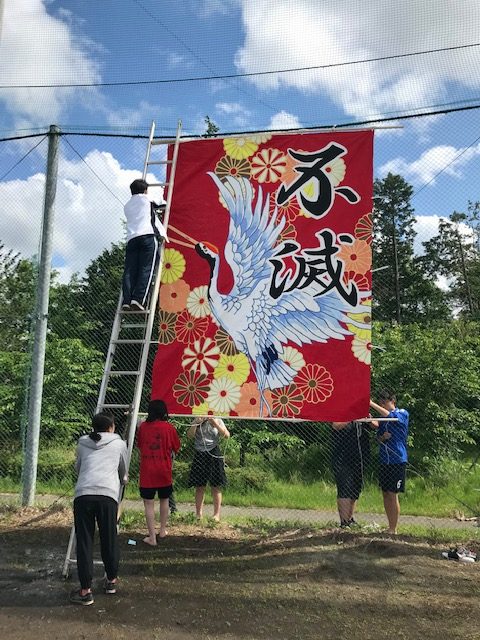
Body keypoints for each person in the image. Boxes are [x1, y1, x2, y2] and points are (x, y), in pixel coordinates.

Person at [71, 412, 128, 606]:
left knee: (84, 541)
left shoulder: (82, 443)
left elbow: (78, 468)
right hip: (107, 496)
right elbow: (123, 472)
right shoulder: (119, 443)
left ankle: (85, 590)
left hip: (83, 495)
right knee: (109, 537)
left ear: (93, 427)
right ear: (111, 427)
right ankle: (111, 581)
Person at [136, 400, 180, 545]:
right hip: (164, 469)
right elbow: (176, 447)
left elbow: (140, 445)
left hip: (147, 471)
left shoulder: (143, 427)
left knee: (148, 503)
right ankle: (162, 530)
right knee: (164, 500)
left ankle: (152, 537)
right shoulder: (170, 428)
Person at [122, 178, 168, 312]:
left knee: (130, 270)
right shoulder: (147, 199)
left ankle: (126, 300)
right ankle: (138, 299)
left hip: (131, 239)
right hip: (147, 236)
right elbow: (163, 205)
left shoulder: (127, 205)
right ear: (145, 190)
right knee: (146, 268)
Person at [370, 390, 409, 534]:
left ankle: (394, 528)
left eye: (384, 402)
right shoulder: (382, 419)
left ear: (392, 401)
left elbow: (392, 416)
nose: (382, 405)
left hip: (397, 460)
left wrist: (370, 403)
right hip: (384, 460)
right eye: (380, 403)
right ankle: (389, 526)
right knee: (385, 493)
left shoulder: (402, 413)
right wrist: (383, 437)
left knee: (393, 493)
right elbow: (378, 438)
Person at [187, 416, 230, 521]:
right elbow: (189, 436)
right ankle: (198, 514)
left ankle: (216, 515)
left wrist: (215, 424)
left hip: (214, 453)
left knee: (216, 485)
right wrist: (196, 423)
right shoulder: (197, 419)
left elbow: (226, 435)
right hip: (200, 454)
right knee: (199, 486)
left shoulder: (217, 419)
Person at [331, 420, 372, 528]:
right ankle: (344, 522)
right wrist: (353, 417)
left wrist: (366, 417)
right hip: (343, 458)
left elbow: (375, 424)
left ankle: (350, 519)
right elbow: (336, 425)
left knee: (355, 490)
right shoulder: (341, 412)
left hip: (359, 457)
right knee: (345, 489)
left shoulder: (361, 412)